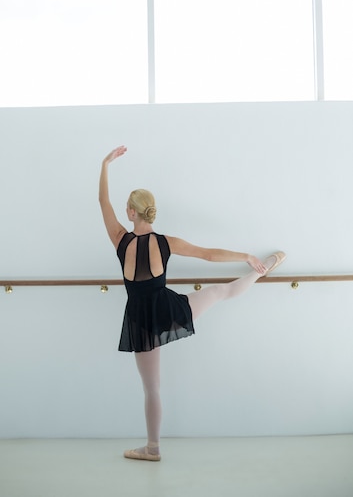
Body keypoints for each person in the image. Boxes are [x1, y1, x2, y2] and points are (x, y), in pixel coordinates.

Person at [99, 145, 286, 462]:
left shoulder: (119, 239)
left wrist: (105, 164)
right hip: (168, 308)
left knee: (152, 389)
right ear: (150, 211)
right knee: (219, 292)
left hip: (140, 320)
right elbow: (208, 254)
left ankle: (152, 448)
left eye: (126, 208)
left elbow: (102, 202)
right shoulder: (166, 242)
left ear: (131, 212)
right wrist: (246, 257)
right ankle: (260, 270)